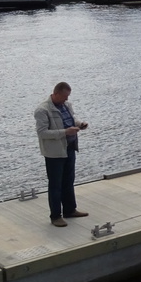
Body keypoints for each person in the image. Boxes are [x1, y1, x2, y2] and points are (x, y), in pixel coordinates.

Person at [34, 82, 89, 227]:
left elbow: (71, 120)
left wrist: (80, 124)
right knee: (55, 185)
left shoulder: (67, 105)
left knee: (68, 181)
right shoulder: (42, 110)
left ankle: (70, 210)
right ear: (56, 93)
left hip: (69, 148)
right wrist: (65, 132)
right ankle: (55, 216)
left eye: (68, 97)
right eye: (64, 96)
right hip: (55, 153)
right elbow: (42, 133)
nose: (66, 99)